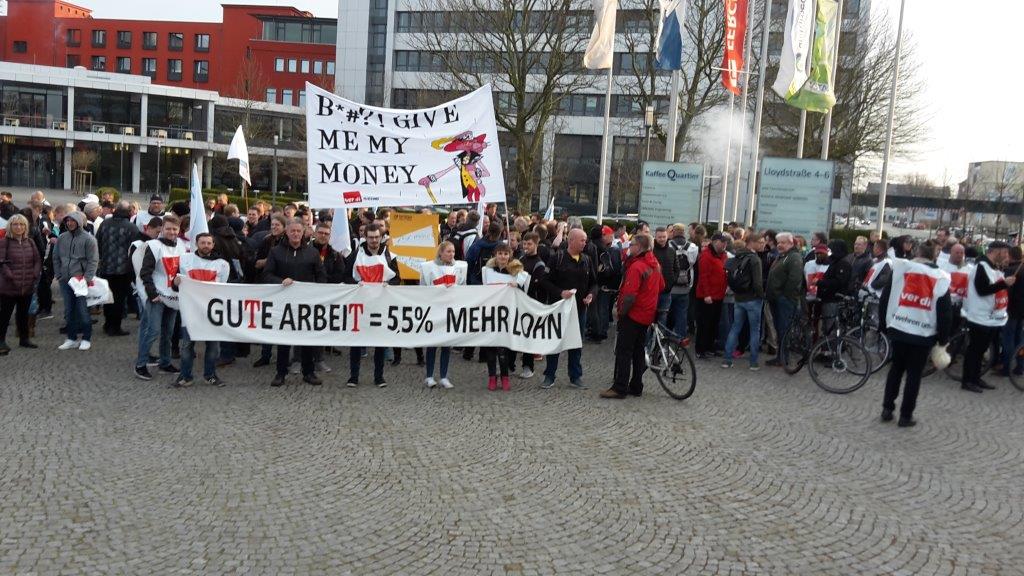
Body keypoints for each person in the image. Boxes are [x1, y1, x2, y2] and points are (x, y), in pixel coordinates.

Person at [879, 241, 952, 427]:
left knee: (896, 369)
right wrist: (943, 339)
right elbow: (944, 312)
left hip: (899, 326)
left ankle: (887, 408)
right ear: (934, 255)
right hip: (923, 333)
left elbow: (886, 297)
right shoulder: (941, 276)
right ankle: (906, 415)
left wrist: (883, 324)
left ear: (917, 252)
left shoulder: (902, 268)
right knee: (914, 374)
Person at [263, 219, 328, 387]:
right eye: (292, 231)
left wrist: (315, 291)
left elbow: (321, 276)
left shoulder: (312, 253)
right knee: (283, 340)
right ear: (286, 231)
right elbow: (267, 274)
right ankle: (280, 373)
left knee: (306, 339)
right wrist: (280, 281)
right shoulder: (276, 252)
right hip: (283, 303)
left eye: (298, 231)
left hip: (306, 303)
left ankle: (308, 372)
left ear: (304, 232)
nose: (295, 234)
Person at [600, 233, 664, 399]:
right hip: (647, 313)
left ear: (640, 247)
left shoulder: (637, 266)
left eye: (632, 244)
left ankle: (620, 387)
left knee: (624, 351)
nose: (629, 247)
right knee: (638, 350)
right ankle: (636, 385)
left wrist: (621, 311)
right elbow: (661, 286)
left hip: (633, 314)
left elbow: (629, 295)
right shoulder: (655, 264)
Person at [539, 228, 597, 389]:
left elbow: (594, 283)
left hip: (579, 309)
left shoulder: (587, 259)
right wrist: (560, 292)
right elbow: (544, 280)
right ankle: (549, 375)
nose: (585, 243)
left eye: (585, 240)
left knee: (576, 343)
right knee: (554, 342)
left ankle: (575, 376)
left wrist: (591, 295)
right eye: (582, 240)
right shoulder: (556, 258)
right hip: (559, 309)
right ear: (571, 241)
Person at [172, 232, 230, 387]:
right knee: (187, 345)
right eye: (203, 242)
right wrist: (175, 282)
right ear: (196, 244)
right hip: (191, 310)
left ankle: (210, 375)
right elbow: (175, 285)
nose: (206, 246)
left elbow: (226, 288)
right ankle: (185, 376)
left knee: (213, 346)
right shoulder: (185, 260)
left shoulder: (222, 264)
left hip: (212, 312)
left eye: (209, 243)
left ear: (213, 245)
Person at [345, 223, 399, 387]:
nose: (374, 240)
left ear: (381, 237)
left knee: (379, 343)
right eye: (371, 237)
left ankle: (379, 377)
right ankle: (353, 376)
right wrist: (356, 284)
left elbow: (397, 279)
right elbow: (346, 276)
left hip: (381, 305)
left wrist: (389, 284)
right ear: (365, 238)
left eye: (377, 237)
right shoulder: (356, 255)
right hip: (360, 305)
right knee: (356, 342)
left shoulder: (389, 255)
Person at [134, 215, 187, 379]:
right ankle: (141, 364)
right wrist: (152, 294)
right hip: (157, 296)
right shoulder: (153, 246)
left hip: (173, 296)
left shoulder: (181, 246)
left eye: (175, 229)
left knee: (168, 332)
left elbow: (182, 270)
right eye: (168, 228)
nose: (172, 232)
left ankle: (165, 362)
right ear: (162, 229)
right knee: (153, 331)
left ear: (179, 230)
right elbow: (145, 272)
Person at [961, 241, 1015, 393]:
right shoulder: (981, 266)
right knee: (975, 350)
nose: (1006, 256)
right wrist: (1004, 284)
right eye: (1004, 252)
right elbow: (982, 290)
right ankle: (968, 380)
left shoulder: (993, 267)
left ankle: (976, 377)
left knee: (981, 350)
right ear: (996, 251)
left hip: (989, 317)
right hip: (979, 316)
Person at [481, 242, 528, 391]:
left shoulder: (516, 272)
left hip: (507, 314)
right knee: (490, 347)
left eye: (506, 254)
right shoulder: (487, 270)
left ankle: (504, 376)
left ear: (510, 255)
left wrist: (518, 285)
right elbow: (481, 288)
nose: (503, 256)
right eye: (500, 253)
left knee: (503, 348)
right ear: (495, 255)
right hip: (491, 313)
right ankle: (492, 377)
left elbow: (524, 290)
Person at [419, 241, 467, 389]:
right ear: (441, 252)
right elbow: (423, 289)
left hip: (450, 310)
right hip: (434, 310)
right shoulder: (428, 268)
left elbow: (463, 288)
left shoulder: (459, 268)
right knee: (432, 345)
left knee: (446, 345)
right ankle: (429, 376)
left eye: (453, 252)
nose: (452, 254)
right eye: (448, 251)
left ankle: (444, 376)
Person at [53, 211, 99, 351]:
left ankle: (86, 338)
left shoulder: (89, 239)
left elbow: (93, 260)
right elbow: (55, 257)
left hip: (80, 280)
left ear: (79, 222)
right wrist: (58, 274)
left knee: (83, 311)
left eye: (73, 220)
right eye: (68, 220)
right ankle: (71, 338)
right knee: (69, 311)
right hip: (65, 280)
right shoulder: (62, 237)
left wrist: (87, 278)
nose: (70, 223)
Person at [96, 201, 139, 336]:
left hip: (106, 267)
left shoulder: (104, 224)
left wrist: (102, 258)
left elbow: (98, 242)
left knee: (108, 298)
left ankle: (107, 324)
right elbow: (135, 249)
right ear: (128, 212)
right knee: (119, 299)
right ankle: (115, 327)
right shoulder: (131, 227)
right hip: (123, 269)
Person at [722, 233, 765, 370]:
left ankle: (727, 360)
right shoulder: (755, 259)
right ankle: (753, 362)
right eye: (761, 242)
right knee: (754, 330)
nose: (763, 244)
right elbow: (757, 282)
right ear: (752, 242)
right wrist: (762, 296)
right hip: (752, 299)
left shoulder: (738, 255)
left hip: (739, 297)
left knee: (735, 328)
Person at [0, 215, 42, 353]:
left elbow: (37, 260)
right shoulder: (4, 242)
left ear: (26, 227)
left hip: (27, 285)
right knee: (5, 315)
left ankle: (24, 339)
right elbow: (1, 262)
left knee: (23, 314)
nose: (19, 227)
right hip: (9, 286)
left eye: (22, 224)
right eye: (15, 224)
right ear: (10, 226)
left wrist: (35, 273)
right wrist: (9, 275)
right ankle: (1, 341)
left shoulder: (30, 242)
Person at [765, 232, 804, 366]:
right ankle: (780, 356)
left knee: (784, 329)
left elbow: (794, 279)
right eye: (778, 243)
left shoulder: (794, 257)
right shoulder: (783, 256)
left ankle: (783, 358)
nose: (780, 245)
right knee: (779, 328)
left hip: (785, 300)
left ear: (791, 243)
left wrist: (784, 296)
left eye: (783, 242)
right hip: (777, 299)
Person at [694, 232, 728, 359]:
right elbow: (703, 276)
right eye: (722, 242)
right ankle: (700, 349)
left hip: (719, 295)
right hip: (707, 296)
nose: (724, 245)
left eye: (725, 242)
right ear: (714, 242)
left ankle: (710, 346)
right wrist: (707, 294)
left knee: (714, 323)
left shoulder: (723, 255)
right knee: (704, 323)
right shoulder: (706, 256)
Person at [667, 223, 699, 337]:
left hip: (670, 286)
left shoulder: (668, 245)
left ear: (673, 232)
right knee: (682, 314)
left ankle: (666, 337)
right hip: (685, 287)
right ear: (684, 232)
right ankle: (680, 338)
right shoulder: (693, 247)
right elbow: (694, 264)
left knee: (667, 313)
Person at [651, 227, 678, 329]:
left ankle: (660, 338)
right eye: (659, 237)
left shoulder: (672, 251)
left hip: (666, 291)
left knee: (663, 317)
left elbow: (676, 268)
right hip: (652, 291)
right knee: (651, 317)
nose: (662, 239)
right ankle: (649, 339)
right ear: (655, 237)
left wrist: (672, 281)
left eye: (664, 237)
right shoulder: (651, 251)